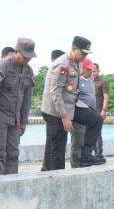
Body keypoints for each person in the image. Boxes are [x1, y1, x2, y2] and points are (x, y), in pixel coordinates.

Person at [0, 38, 36, 176]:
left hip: (15, 119)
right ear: (16, 51)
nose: (27, 60)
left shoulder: (29, 72)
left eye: (29, 57)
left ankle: (12, 185)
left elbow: (27, 99)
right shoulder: (2, 67)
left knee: (13, 153)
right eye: (24, 56)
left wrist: (23, 121)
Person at [41, 36, 93, 170]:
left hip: (65, 109)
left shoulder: (76, 62)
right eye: (82, 53)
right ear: (73, 49)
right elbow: (55, 93)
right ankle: (56, 177)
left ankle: (49, 171)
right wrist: (65, 116)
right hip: (54, 111)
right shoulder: (62, 65)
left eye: (86, 54)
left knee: (56, 145)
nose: (84, 57)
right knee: (57, 148)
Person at [70, 58, 105, 168]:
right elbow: (72, 97)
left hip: (90, 113)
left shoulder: (91, 80)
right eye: (89, 69)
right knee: (78, 140)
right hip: (79, 112)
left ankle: (87, 156)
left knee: (91, 135)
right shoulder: (76, 79)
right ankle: (76, 164)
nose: (91, 72)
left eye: (92, 70)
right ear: (83, 68)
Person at [93, 63, 109, 159]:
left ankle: (99, 154)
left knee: (98, 133)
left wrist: (104, 110)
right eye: (91, 71)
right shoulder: (87, 81)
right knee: (89, 134)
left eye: (94, 71)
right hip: (89, 112)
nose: (92, 73)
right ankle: (92, 153)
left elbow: (106, 97)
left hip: (99, 111)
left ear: (98, 71)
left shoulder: (103, 82)